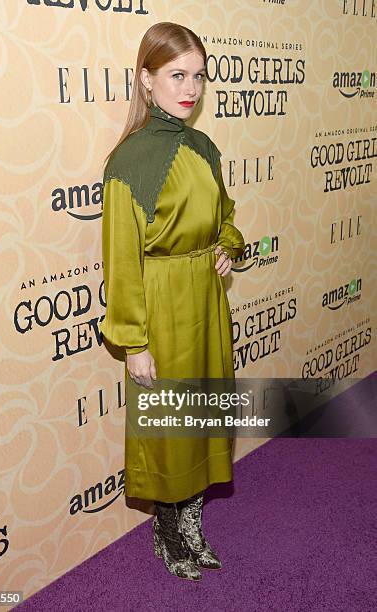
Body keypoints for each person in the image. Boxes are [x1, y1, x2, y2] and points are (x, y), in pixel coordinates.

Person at [99, 22, 245, 581]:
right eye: (176, 75)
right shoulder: (129, 163)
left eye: (199, 76)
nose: (190, 88)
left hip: (206, 296)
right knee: (168, 423)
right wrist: (134, 342)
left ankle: (191, 521)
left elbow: (225, 216)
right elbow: (122, 260)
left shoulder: (204, 147)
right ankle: (168, 529)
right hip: (160, 302)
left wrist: (227, 248)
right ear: (146, 80)